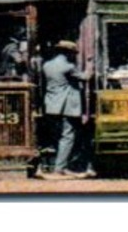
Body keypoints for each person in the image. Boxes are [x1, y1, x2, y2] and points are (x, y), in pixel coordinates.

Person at [38, 39, 96, 179]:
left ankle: (57, 166)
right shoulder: (68, 67)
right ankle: (60, 168)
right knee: (68, 136)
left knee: (58, 136)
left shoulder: (47, 65)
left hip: (52, 105)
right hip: (67, 106)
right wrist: (90, 65)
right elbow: (86, 77)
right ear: (68, 53)